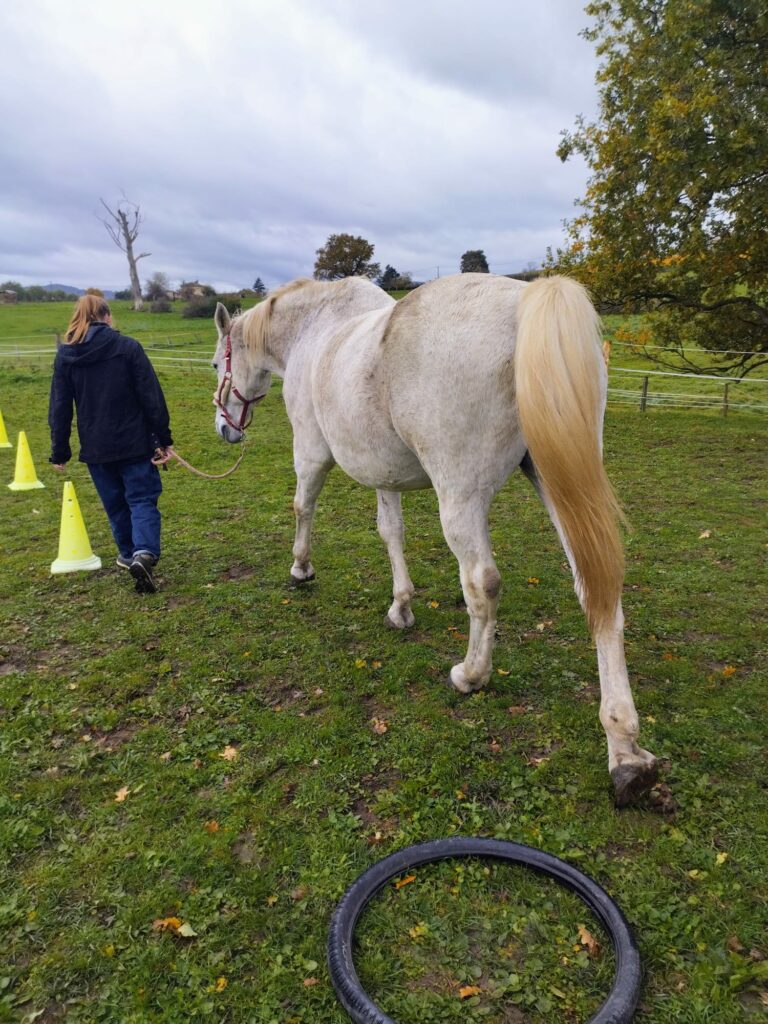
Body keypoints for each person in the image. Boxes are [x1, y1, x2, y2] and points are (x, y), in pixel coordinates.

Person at [48, 294, 173, 594]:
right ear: (106, 316)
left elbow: (60, 407)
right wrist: (163, 438)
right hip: (134, 443)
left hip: (96, 448)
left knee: (115, 503)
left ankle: (130, 554)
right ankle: (143, 553)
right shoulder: (128, 347)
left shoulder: (66, 356)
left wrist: (59, 450)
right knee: (141, 498)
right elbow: (151, 396)